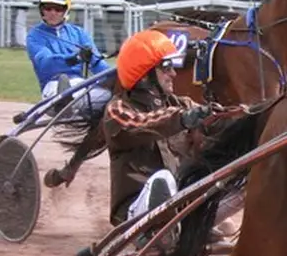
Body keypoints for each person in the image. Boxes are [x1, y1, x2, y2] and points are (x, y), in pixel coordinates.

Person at [102, 29, 245, 243]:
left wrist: (248, 117)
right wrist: (184, 118)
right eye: (166, 67)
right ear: (145, 74)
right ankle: (159, 231)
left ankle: (185, 228)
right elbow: (144, 124)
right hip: (137, 213)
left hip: (180, 207)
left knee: (246, 180)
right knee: (163, 179)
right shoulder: (118, 109)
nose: (174, 74)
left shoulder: (179, 104)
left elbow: (219, 122)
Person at [24, 0, 113, 119]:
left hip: (81, 86)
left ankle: (73, 105)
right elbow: (45, 63)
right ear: (41, 9)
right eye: (48, 8)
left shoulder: (79, 33)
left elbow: (97, 63)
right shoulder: (34, 36)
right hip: (52, 87)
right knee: (62, 87)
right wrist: (75, 58)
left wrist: (116, 76)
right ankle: (66, 103)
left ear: (66, 10)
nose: (52, 13)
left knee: (113, 96)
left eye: (58, 9)